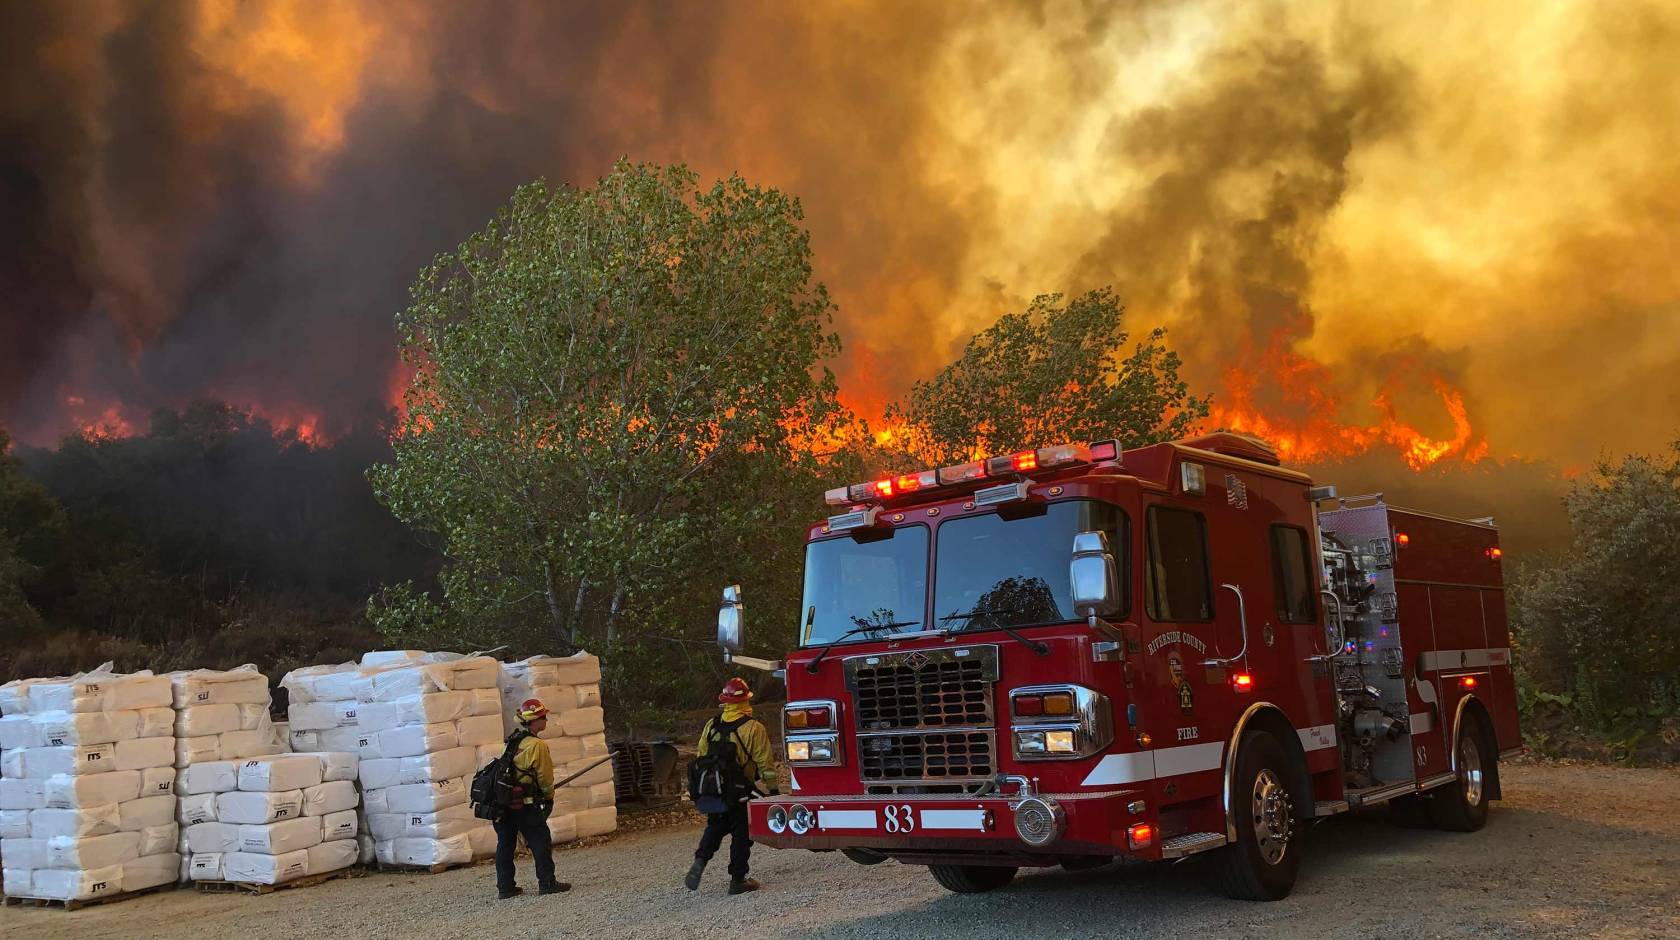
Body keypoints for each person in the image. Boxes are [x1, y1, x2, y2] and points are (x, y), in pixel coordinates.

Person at [684, 677, 778, 895]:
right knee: (741, 832)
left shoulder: (712, 725)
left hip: (715, 790)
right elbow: (766, 764)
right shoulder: (753, 728)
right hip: (740, 790)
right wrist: (773, 791)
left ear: (725, 701)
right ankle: (738, 879)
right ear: (746, 700)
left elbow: (701, 756)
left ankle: (701, 859)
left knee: (715, 826)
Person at [494, 699, 571, 900]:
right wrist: (549, 797)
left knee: (505, 844)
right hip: (526, 804)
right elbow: (545, 777)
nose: (546, 719)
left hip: (504, 803)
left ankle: (505, 887)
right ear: (536, 721)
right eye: (543, 717)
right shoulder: (537, 745)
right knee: (540, 840)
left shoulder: (512, 741)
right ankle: (547, 883)